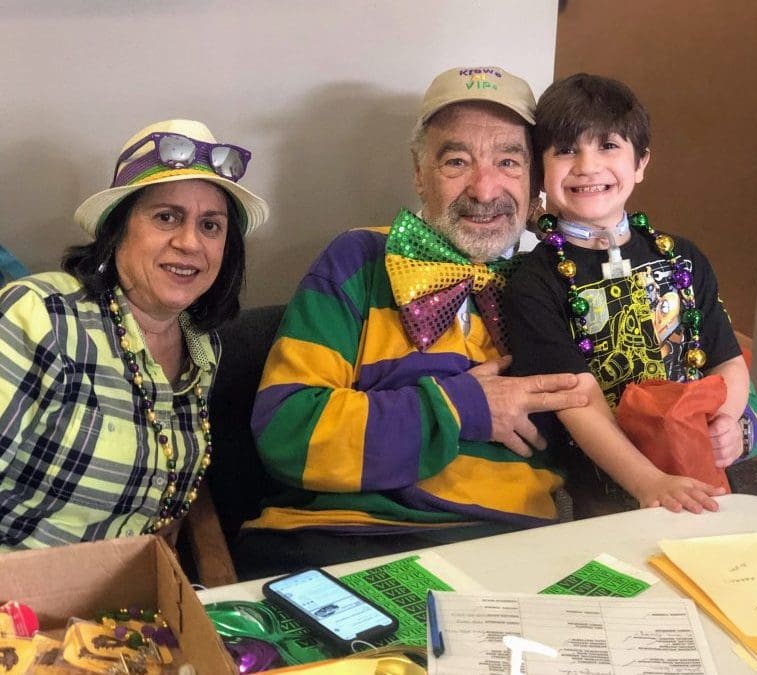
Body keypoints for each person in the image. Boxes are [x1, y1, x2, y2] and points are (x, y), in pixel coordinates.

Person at [0, 119, 269, 575]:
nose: (189, 242)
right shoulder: (39, 314)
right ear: (117, 229)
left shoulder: (201, 350)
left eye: (211, 226)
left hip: (75, 612)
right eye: (166, 217)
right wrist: (12, 612)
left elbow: (158, 504)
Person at [235, 66, 589, 579]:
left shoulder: (560, 282)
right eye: (456, 161)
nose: (485, 189)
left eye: (509, 161)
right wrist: (460, 409)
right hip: (342, 544)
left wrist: (730, 419)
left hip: (510, 560)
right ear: (419, 174)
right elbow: (287, 433)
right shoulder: (357, 259)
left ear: (535, 181)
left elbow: (657, 367)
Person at [503, 73, 757, 514]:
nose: (587, 165)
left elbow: (727, 360)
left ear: (640, 162)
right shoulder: (533, 282)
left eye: (608, 145)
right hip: (607, 491)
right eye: (566, 149)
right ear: (541, 173)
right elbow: (577, 397)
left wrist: (726, 422)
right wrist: (649, 482)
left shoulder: (684, 258)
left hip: (702, 472)